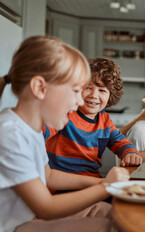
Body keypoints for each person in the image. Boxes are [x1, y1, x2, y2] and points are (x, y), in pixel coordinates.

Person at [0, 36, 129, 232]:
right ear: (40, 88)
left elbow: (49, 176)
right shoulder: (11, 134)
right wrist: (105, 187)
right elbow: (45, 208)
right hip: (14, 226)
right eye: (76, 90)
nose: (80, 101)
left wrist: (102, 181)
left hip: (28, 218)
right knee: (108, 227)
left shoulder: (30, 130)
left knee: (116, 215)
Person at [43, 57, 142, 178]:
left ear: (111, 95)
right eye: (88, 88)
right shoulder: (66, 113)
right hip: (61, 184)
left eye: (102, 90)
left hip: (91, 182)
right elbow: (39, 132)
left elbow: (119, 142)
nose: (94, 95)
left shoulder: (105, 120)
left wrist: (130, 152)